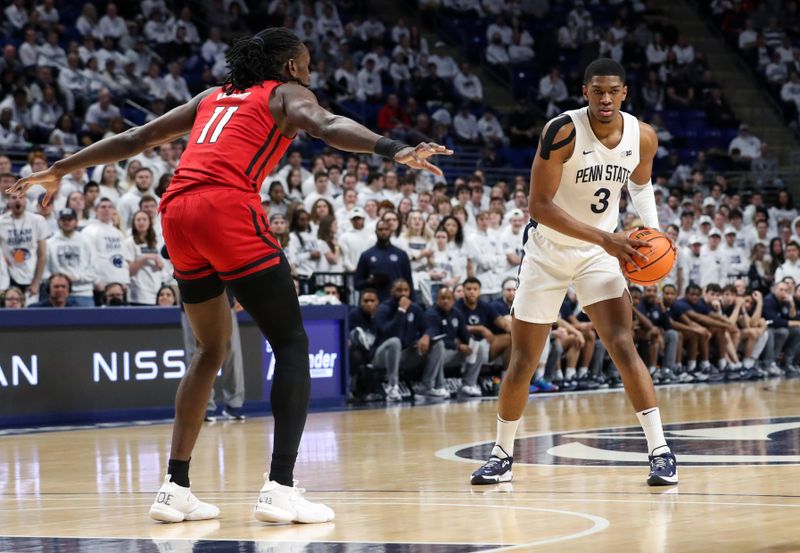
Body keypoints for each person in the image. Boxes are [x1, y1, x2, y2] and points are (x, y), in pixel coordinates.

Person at [8, 27, 451, 524]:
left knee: (211, 349)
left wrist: (62, 169)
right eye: (306, 64)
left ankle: (175, 488)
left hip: (176, 212)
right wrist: (394, 149)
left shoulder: (211, 97)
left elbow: (137, 138)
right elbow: (326, 124)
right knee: (290, 343)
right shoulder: (287, 94)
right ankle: (280, 487)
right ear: (289, 67)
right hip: (225, 207)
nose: (309, 73)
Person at [471, 59, 678, 488]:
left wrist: (651, 231)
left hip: (601, 254)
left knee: (623, 344)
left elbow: (640, 185)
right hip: (548, 252)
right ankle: (501, 455)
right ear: (585, 92)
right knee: (524, 359)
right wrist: (609, 240)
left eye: (613, 91)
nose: (605, 98)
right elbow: (539, 207)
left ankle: (661, 452)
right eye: (597, 91)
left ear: (625, 93)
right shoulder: (561, 130)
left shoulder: (643, 136)